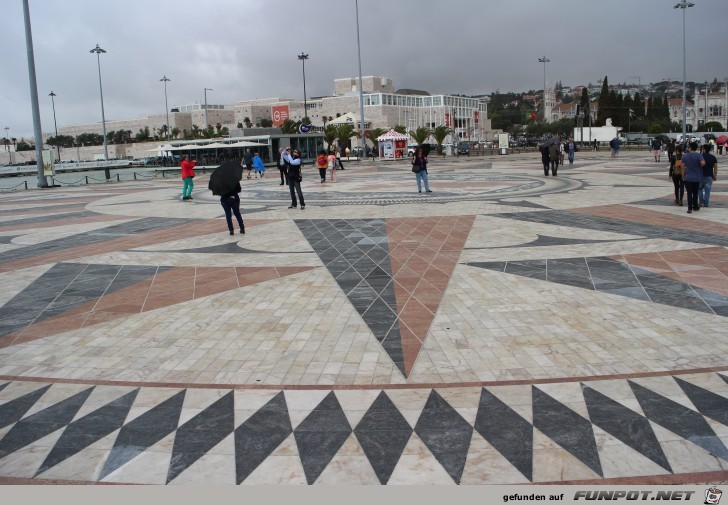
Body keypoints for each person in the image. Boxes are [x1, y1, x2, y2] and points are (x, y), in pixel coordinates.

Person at [682, 142, 705, 214]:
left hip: (688, 177)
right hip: (696, 177)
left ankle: (689, 208)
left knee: (689, 193)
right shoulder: (699, 155)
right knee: (695, 193)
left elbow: (682, 167)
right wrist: (699, 166)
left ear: (690, 148)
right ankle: (695, 206)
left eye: (688, 147)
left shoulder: (685, 156)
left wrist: (683, 176)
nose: (688, 148)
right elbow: (703, 163)